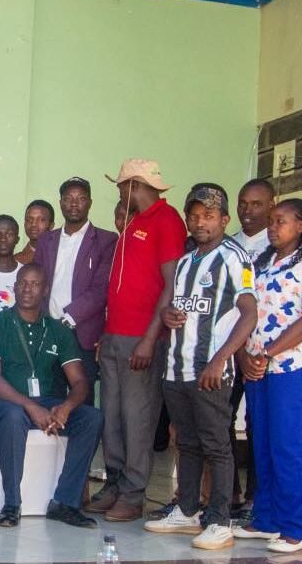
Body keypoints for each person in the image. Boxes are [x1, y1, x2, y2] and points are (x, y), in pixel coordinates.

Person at [143, 185, 257, 550]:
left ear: (225, 219)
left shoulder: (234, 258)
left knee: (216, 445)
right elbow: (176, 305)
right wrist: (166, 314)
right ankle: (188, 509)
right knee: (187, 443)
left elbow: (249, 313)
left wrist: (221, 359)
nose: (200, 222)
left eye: (209, 216)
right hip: (177, 369)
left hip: (210, 370)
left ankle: (220, 520)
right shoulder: (186, 259)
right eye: (194, 216)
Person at [233, 199, 302, 554]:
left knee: (286, 446)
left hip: (288, 368)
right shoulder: (260, 261)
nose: (273, 228)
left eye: (281, 221)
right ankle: (265, 520)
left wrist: (267, 352)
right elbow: (244, 310)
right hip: (255, 366)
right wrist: (246, 355)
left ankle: (294, 529)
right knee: (260, 443)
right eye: (272, 223)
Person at [87, 158, 186, 522]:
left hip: (141, 341)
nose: (118, 192)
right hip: (114, 336)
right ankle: (114, 483)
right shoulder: (134, 224)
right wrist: (105, 334)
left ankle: (133, 492)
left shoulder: (167, 220)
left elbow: (171, 284)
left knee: (137, 418)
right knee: (110, 416)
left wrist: (149, 338)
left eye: (120, 186)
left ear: (135, 186)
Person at [0, 264, 101, 529]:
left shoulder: (58, 329)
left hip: (48, 400)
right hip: (1, 399)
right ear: (15, 287)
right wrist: (31, 406)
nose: (27, 289)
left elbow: (79, 381)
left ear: (45, 291)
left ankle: (65, 502)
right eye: (22, 283)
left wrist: (66, 406)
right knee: (13, 415)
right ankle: (12, 504)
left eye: (34, 284)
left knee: (91, 418)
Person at [35, 177, 117, 386]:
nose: (74, 204)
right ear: (60, 202)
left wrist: (67, 319)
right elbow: (38, 282)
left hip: (83, 334)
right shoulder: (46, 240)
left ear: (89, 202)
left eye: (80, 199)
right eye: (68, 198)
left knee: (81, 401)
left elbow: (101, 290)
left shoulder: (106, 240)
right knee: (47, 397)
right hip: (47, 331)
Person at [227, 177, 275, 514]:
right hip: (228, 350)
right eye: (243, 203)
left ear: (273, 204)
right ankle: (229, 491)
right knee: (220, 420)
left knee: (260, 423)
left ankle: (258, 496)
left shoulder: (279, 246)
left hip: (264, 353)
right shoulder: (228, 246)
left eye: (256, 203)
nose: (248, 209)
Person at [17, 199, 55, 265]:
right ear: (24, 224)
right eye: (29, 220)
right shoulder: (16, 260)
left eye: (41, 220)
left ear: (51, 225)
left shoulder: (60, 255)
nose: (33, 224)